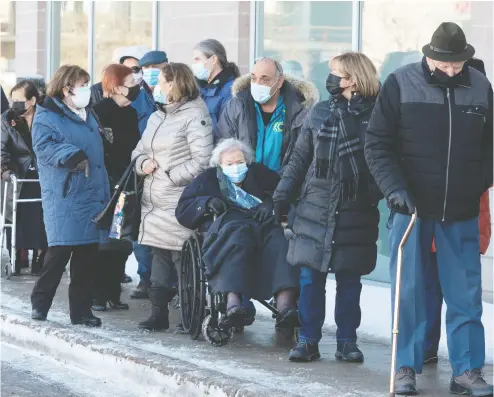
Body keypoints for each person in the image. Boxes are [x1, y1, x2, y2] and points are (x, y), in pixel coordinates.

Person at [365, 22, 493, 396]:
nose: (452, 70)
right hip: (412, 210)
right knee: (409, 293)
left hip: (461, 210)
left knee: (466, 296)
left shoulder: (481, 87)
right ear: (429, 55)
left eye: (457, 64)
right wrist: (394, 189)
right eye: (444, 63)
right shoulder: (401, 83)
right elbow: (377, 144)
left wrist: (476, 182)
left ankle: (467, 370)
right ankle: (405, 367)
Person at [273, 52, 382, 363]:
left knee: (349, 280)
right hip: (314, 209)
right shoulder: (319, 112)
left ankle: (347, 341)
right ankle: (308, 340)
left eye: (336, 72)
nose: (330, 77)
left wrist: (370, 192)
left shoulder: (376, 115)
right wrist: (282, 195)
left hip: (355, 210)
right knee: (310, 280)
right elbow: (299, 159)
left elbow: (384, 161)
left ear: (352, 78)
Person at [176, 138, 299, 328]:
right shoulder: (208, 179)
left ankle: (286, 305)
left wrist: (271, 204)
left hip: (262, 227)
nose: (236, 167)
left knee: (281, 242)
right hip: (228, 228)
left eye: (240, 162)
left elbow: (285, 194)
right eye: (229, 163)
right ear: (220, 165)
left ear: (247, 162)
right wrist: (206, 203)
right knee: (235, 240)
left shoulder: (260, 174)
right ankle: (232, 303)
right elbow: (183, 210)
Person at [132, 62, 213, 331]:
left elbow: (203, 160)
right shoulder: (157, 116)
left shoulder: (195, 115)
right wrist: (142, 163)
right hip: (153, 200)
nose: (156, 87)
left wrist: (169, 173)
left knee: (183, 260)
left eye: (161, 82)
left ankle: (192, 315)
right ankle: (158, 314)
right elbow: (139, 150)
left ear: (173, 85)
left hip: (179, 200)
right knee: (159, 258)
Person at [423, 56, 492, 366]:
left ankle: (456, 360)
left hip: (461, 221)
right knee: (429, 292)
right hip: (434, 219)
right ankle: (426, 347)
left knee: (456, 296)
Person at [30, 65, 111, 327]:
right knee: (59, 253)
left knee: (87, 255)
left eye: (88, 84)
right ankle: (40, 303)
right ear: (66, 89)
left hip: (92, 192)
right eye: (82, 84)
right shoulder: (47, 115)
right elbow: (43, 147)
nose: (87, 89)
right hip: (67, 193)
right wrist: (71, 155)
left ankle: (81, 311)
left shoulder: (90, 114)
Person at [91, 64, 141, 312]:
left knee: (121, 240)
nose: (136, 87)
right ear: (117, 85)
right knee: (104, 241)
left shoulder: (131, 113)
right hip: (107, 184)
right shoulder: (100, 111)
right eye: (131, 82)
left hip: (127, 182)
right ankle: (98, 294)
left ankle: (113, 292)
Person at [214, 56, 318, 173]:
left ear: (279, 82)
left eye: (265, 79)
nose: (258, 84)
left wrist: (281, 184)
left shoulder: (300, 110)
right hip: (244, 183)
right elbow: (222, 145)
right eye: (253, 78)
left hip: (283, 185)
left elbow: (303, 157)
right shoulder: (237, 106)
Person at [1, 80, 48, 275]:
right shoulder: (7, 119)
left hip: (42, 173)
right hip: (18, 173)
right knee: (17, 213)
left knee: (41, 216)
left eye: (20, 100)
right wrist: (5, 169)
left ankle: (40, 255)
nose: (15, 104)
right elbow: (2, 148)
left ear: (32, 100)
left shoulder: (45, 118)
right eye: (13, 100)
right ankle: (17, 255)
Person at [191, 39, 240, 129]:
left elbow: (227, 130)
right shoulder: (201, 88)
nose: (194, 64)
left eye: (198, 59)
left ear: (213, 59)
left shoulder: (230, 90)